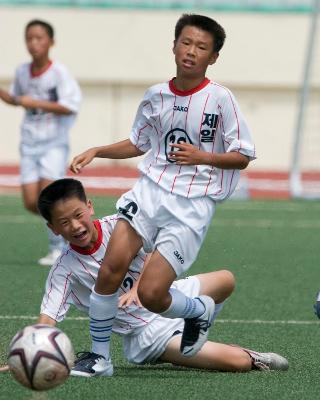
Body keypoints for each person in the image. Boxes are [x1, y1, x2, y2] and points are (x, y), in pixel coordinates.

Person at [70, 14, 256, 375]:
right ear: (173, 46)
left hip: (191, 206)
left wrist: (203, 156)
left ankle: (197, 311)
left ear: (213, 57)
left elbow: (243, 156)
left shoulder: (221, 100)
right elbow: (139, 143)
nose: (191, 52)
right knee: (110, 269)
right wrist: (98, 150)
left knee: (154, 295)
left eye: (201, 47)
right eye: (185, 43)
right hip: (149, 191)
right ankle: (100, 358)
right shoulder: (154, 95)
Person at [35, 178, 287, 377]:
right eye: (64, 222)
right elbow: (47, 318)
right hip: (147, 333)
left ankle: (193, 329)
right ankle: (241, 354)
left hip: (165, 296)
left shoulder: (120, 226)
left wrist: (139, 288)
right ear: (53, 228)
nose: (76, 226)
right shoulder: (64, 270)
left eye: (78, 215)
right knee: (239, 362)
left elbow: (158, 249)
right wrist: (33, 353)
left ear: (89, 206)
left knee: (226, 280)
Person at [0, 19, 82, 266]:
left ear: (51, 42)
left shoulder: (59, 73)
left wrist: (35, 102)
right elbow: (17, 99)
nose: (34, 43)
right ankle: (65, 225)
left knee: (50, 194)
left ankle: (61, 248)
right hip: (29, 142)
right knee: (31, 202)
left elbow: (69, 106)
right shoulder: (23, 71)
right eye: (29, 38)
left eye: (39, 38)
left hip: (53, 142)